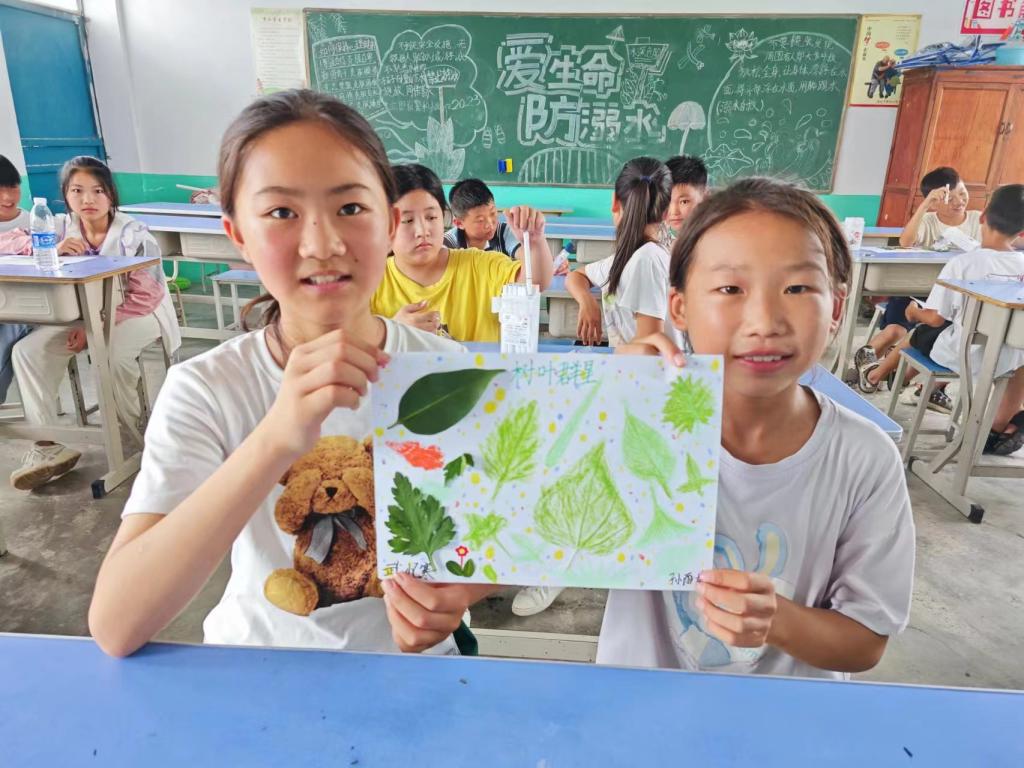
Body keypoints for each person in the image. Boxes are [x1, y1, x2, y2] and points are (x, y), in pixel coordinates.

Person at [89, 90, 495, 658]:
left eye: (350, 208)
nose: (322, 244)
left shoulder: (446, 374)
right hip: (259, 670)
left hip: (417, 674)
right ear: (239, 235)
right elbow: (116, 624)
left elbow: (503, 538)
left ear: (388, 222)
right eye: (282, 212)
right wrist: (277, 438)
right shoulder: (206, 390)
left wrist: (464, 593)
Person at [598, 177, 915, 678]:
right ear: (679, 307)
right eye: (730, 289)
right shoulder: (631, 423)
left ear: (836, 308)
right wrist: (599, 406)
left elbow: (865, 642)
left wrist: (778, 621)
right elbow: (518, 535)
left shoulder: (864, 459)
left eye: (797, 288)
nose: (765, 321)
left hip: (787, 716)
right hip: (638, 705)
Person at [513, 157, 674, 618]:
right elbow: (577, 275)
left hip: (650, 395)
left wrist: (595, 373)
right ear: (665, 209)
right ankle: (566, 561)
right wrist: (587, 302)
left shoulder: (648, 261)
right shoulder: (629, 255)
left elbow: (649, 349)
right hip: (628, 385)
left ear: (613, 204)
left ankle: (559, 568)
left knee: (572, 464)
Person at [10, 156, 180, 491]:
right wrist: (50, 246)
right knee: (27, 351)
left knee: (111, 354)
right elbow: (8, 242)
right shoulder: (58, 227)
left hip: (138, 313)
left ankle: (130, 435)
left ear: (110, 194)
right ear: (65, 195)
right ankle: (47, 444)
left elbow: (146, 295)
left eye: (97, 191)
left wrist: (95, 330)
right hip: (80, 318)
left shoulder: (133, 234)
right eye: (77, 190)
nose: (87, 199)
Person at [858, 184, 1024, 455]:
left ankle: (877, 375)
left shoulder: (963, 263)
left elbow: (935, 318)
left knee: (918, 332)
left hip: (961, 354)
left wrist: (913, 312)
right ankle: (995, 427)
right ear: (1021, 232)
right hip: (1009, 359)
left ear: (982, 217)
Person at [372, 164, 553, 342]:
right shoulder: (371, 281)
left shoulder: (478, 264)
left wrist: (535, 242)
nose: (422, 231)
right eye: (407, 220)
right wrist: (390, 332)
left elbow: (534, 281)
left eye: (431, 217)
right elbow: (356, 343)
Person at [661, 154, 708, 247]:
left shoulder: (714, 242)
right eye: (667, 201)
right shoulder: (669, 245)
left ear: (705, 196)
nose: (674, 212)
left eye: (684, 202)